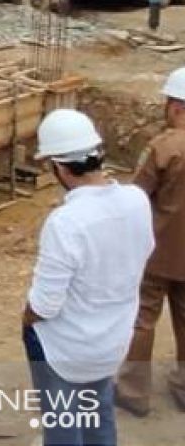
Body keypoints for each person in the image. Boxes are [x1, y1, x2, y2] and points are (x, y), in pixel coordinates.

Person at [24, 109, 152, 446]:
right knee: (99, 412)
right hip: (112, 340)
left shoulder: (66, 222)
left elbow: (45, 305)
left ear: (60, 168)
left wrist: (27, 320)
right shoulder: (137, 201)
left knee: (63, 422)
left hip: (67, 348)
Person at [117, 68, 185, 415]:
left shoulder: (165, 146)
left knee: (143, 318)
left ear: (175, 106)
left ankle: (133, 391)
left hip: (157, 252)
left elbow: (136, 196)